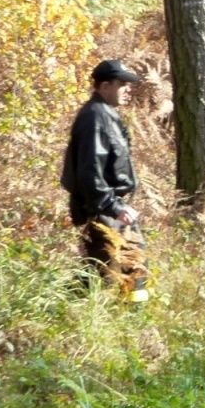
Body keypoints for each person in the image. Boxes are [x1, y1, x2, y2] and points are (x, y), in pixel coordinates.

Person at [61, 60, 150, 300]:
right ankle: (63, 313)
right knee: (107, 270)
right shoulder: (95, 119)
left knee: (129, 265)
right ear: (104, 87)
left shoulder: (104, 115)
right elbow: (89, 171)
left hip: (109, 206)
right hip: (101, 208)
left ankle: (131, 316)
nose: (128, 89)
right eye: (122, 84)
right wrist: (114, 206)